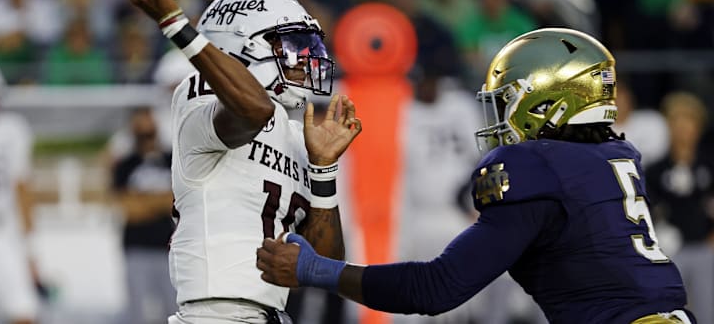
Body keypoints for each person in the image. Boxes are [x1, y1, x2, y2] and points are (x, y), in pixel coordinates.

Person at [257, 28, 696, 324]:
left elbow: (435, 288)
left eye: (507, 100)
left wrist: (317, 270)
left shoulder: (537, 166)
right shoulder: (615, 154)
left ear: (547, 103)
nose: (500, 115)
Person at [112, 0, 362, 324]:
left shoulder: (295, 132)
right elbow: (253, 111)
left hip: (271, 314)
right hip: (215, 315)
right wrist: (175, 22)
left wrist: (324, 170)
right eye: (292, 45)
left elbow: (325, 265)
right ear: (246, 47)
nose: (306, 58)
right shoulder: (197, 95)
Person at [645, 92, 714, 324]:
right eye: (677, 122)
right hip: (670, 252)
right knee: (669, 312)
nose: (683, 129)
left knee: (708, 310)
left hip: (705, 247)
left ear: (698, 126)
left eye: (689, 122)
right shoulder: (655, 170)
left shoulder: (708, 165)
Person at [111, 107, 177, 324]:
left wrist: (143, 200)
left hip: (170, 249)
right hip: (136, 247)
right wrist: (161, 201)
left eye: (150, 131)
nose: (147, 137)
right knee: (137, 314)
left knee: (175, 312)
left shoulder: (172, 159)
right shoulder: (125, 164)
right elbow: (128, 208)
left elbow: (178, 202)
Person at [0, 64, 38, 324]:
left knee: (23, 311)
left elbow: (21, 187)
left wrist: (30, 248)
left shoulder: (12, 129)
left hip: (2, 228)